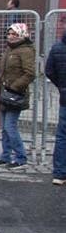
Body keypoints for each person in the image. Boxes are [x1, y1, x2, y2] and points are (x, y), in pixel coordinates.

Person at [0, 23, 36, 170]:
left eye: (14, 34)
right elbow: (3, 72)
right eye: (9, 34)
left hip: (15, 95)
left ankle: (21, 157)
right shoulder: (9, 49)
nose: (10, 36)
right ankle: (5, 156)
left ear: (21, 35)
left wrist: (15, 87)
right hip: (5, 94)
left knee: (10, 127)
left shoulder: (25, 50)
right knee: (4, 127)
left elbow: (30, 73)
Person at [45, 29, 66, 185]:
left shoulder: (57, 47)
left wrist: (62, 87)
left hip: (65, 98)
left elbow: (49, 71)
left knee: (62, 136)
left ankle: (59, 174)